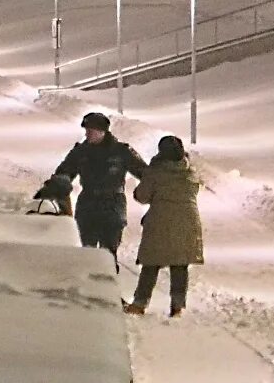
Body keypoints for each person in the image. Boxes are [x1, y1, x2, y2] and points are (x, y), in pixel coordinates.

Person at [52, 112, 148, 263]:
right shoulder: (80, 152)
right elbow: (64, 173)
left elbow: (145, 174)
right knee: (86, 252)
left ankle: (108, 283)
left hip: (113, 205)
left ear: (102, 131)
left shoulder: (121, 151)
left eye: (91, 130)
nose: (87, 134)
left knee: (108, 253)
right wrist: (58, 186)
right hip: (88, 204)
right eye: (86, 130)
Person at [126, 135, 204, 318]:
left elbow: (142, 196)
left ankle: (139, 303)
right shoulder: (190, 171)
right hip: (188, 221)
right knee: (180, 265)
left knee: (151, 263)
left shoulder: (156, 172)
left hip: (161, 221)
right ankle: (178, 307)